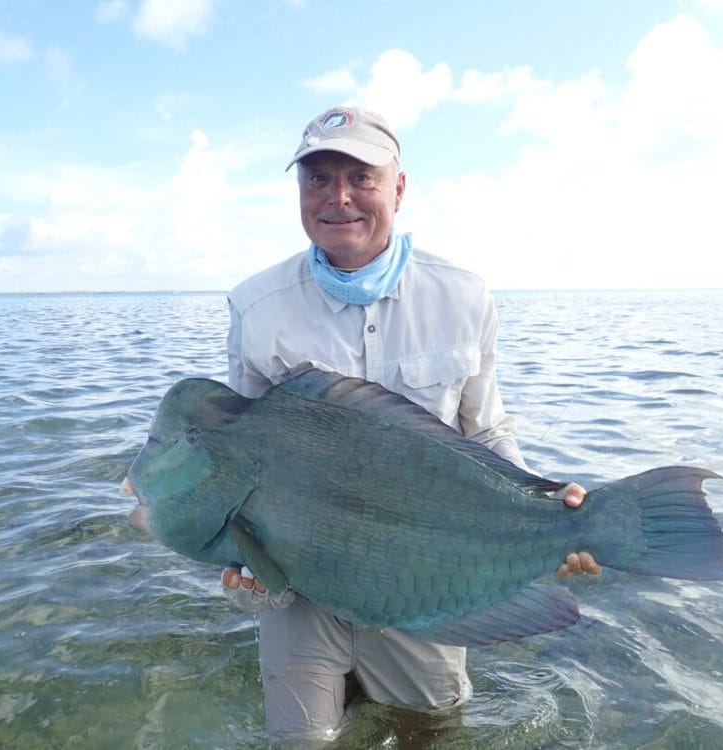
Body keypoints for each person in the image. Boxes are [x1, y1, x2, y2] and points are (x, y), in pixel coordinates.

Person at [222, 106, 600, 743]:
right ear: (298, 192)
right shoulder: (255, 306)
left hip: (424, 572)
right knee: (303, 741)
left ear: (398, 187)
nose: (338, 198)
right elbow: (240, 454)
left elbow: (484, 431)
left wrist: (548, 508)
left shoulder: (464, 296)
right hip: (306, 575)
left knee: (433, 729)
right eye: (317, 179)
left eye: (361, 177)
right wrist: (237, 560)